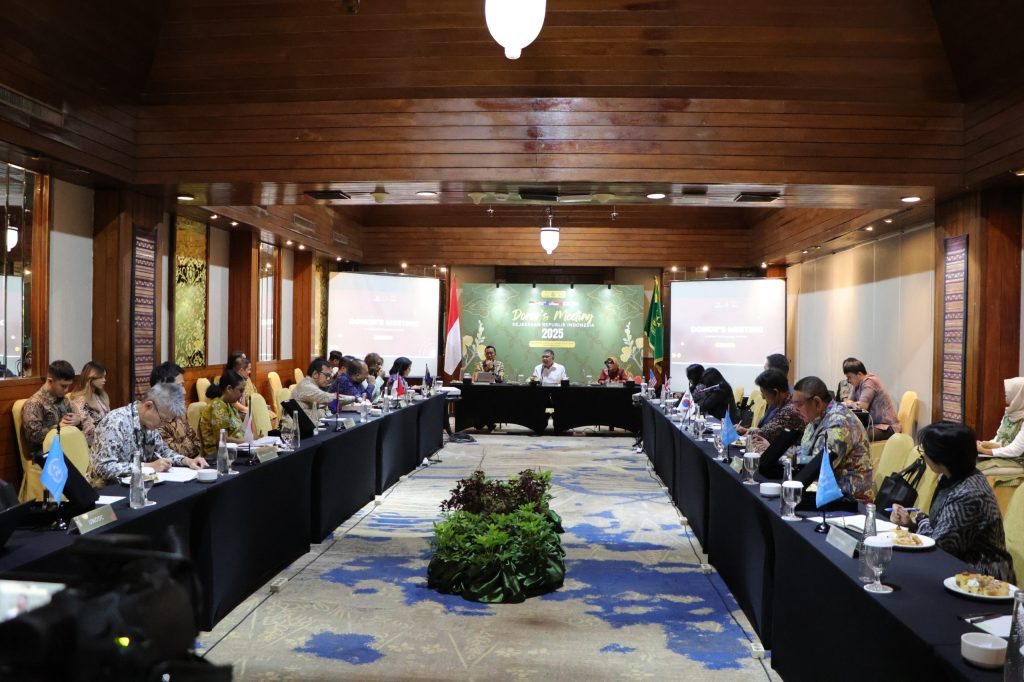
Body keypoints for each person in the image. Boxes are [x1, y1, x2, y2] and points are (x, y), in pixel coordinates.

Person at [892, 422, 1016, 583]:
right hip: (956, 566)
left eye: (925, 451)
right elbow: (941, 531)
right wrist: (912, 523)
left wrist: (919, 520)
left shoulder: (969, 495)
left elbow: (939, 547)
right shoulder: (954, 476)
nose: (923, 456)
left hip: (982, 578)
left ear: (941, 458)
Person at [91, 382, 207, 482]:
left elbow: (162, 451)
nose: (163, 425)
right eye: (162, 419)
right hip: (110, 489)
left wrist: (186, 461)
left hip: (141, 484)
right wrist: (148, 467)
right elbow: (102, 468)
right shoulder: (116, 422)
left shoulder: (149, 424)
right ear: (148, 405)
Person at [792, 375, 874, 502]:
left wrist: (790, 460)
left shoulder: (839, 422)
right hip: (826, 492)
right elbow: (805, 453)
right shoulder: (817, 417)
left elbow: (817, 467)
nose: (795, 410)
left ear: (817, 402)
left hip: (850, 500)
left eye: (799, 405)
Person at [21, 360, 84, 462]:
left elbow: (76, 425)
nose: (67, 390)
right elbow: (33, 437)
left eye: (69, 386)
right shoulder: (34, 403)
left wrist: (78, 421)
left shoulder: (64, 399)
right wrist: (58, 428)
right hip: (44, 452)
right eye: (63, 386)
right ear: (50, 381)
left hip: (67, 445)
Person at [736, 369, 805, 454]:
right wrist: (746, 430)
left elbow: (765, 433)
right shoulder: (783, 403)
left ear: (776, 392)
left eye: (763, 393)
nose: (763, 397)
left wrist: (747, 431)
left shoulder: (789, 410)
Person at [149, 361, 204, 461]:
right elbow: (172, 454)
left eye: (183, 385)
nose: (184, 392)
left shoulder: (179, 412)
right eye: (179, 386)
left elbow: (197, 444)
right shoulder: (154, 419)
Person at [841, 358, 900, 440]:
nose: (848, 380)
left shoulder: (870, 382)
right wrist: (851, 403)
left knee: (854, 437)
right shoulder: (856, 384)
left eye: (849, 377)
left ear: (859, 374)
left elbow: (862, 407)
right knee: (843, 432)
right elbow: (848, 401)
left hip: (887, 427)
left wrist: (850, 404)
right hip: (873, 425)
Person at [198, 370, 249, 457]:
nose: (242, 395)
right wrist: (246, 442)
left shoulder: (229, 404)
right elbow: (221, 440)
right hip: (218, 456)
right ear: (229, 389)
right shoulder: (218, 407)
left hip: (235, 450)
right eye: (240, 391)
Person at [976, 377, 1024, 464]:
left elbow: (1016, 450)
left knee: (979, 468)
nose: (1005, 394)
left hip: (1017, 461)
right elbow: (999, 440)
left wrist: (985, 451)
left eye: (1008, 392)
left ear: (1018, 395)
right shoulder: (1009, 413)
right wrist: (984, 444)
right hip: (1002, 456)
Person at [292, 357, 353, 423]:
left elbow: (327, 406)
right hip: (298, 427)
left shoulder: (316, 385)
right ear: (315, 374)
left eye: (330, 376)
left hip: (313, 423)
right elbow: (328, 399)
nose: (328, 379)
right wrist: (354, 398)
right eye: (327, 375)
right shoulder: (306, 386)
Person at [68, 361, 111, 447]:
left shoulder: (100, 396)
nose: (104, 380)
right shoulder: (79, 400)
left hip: (107, 438)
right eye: (101, 377)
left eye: (104, 377)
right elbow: (88, 430)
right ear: (90, 378)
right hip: (92, 444)